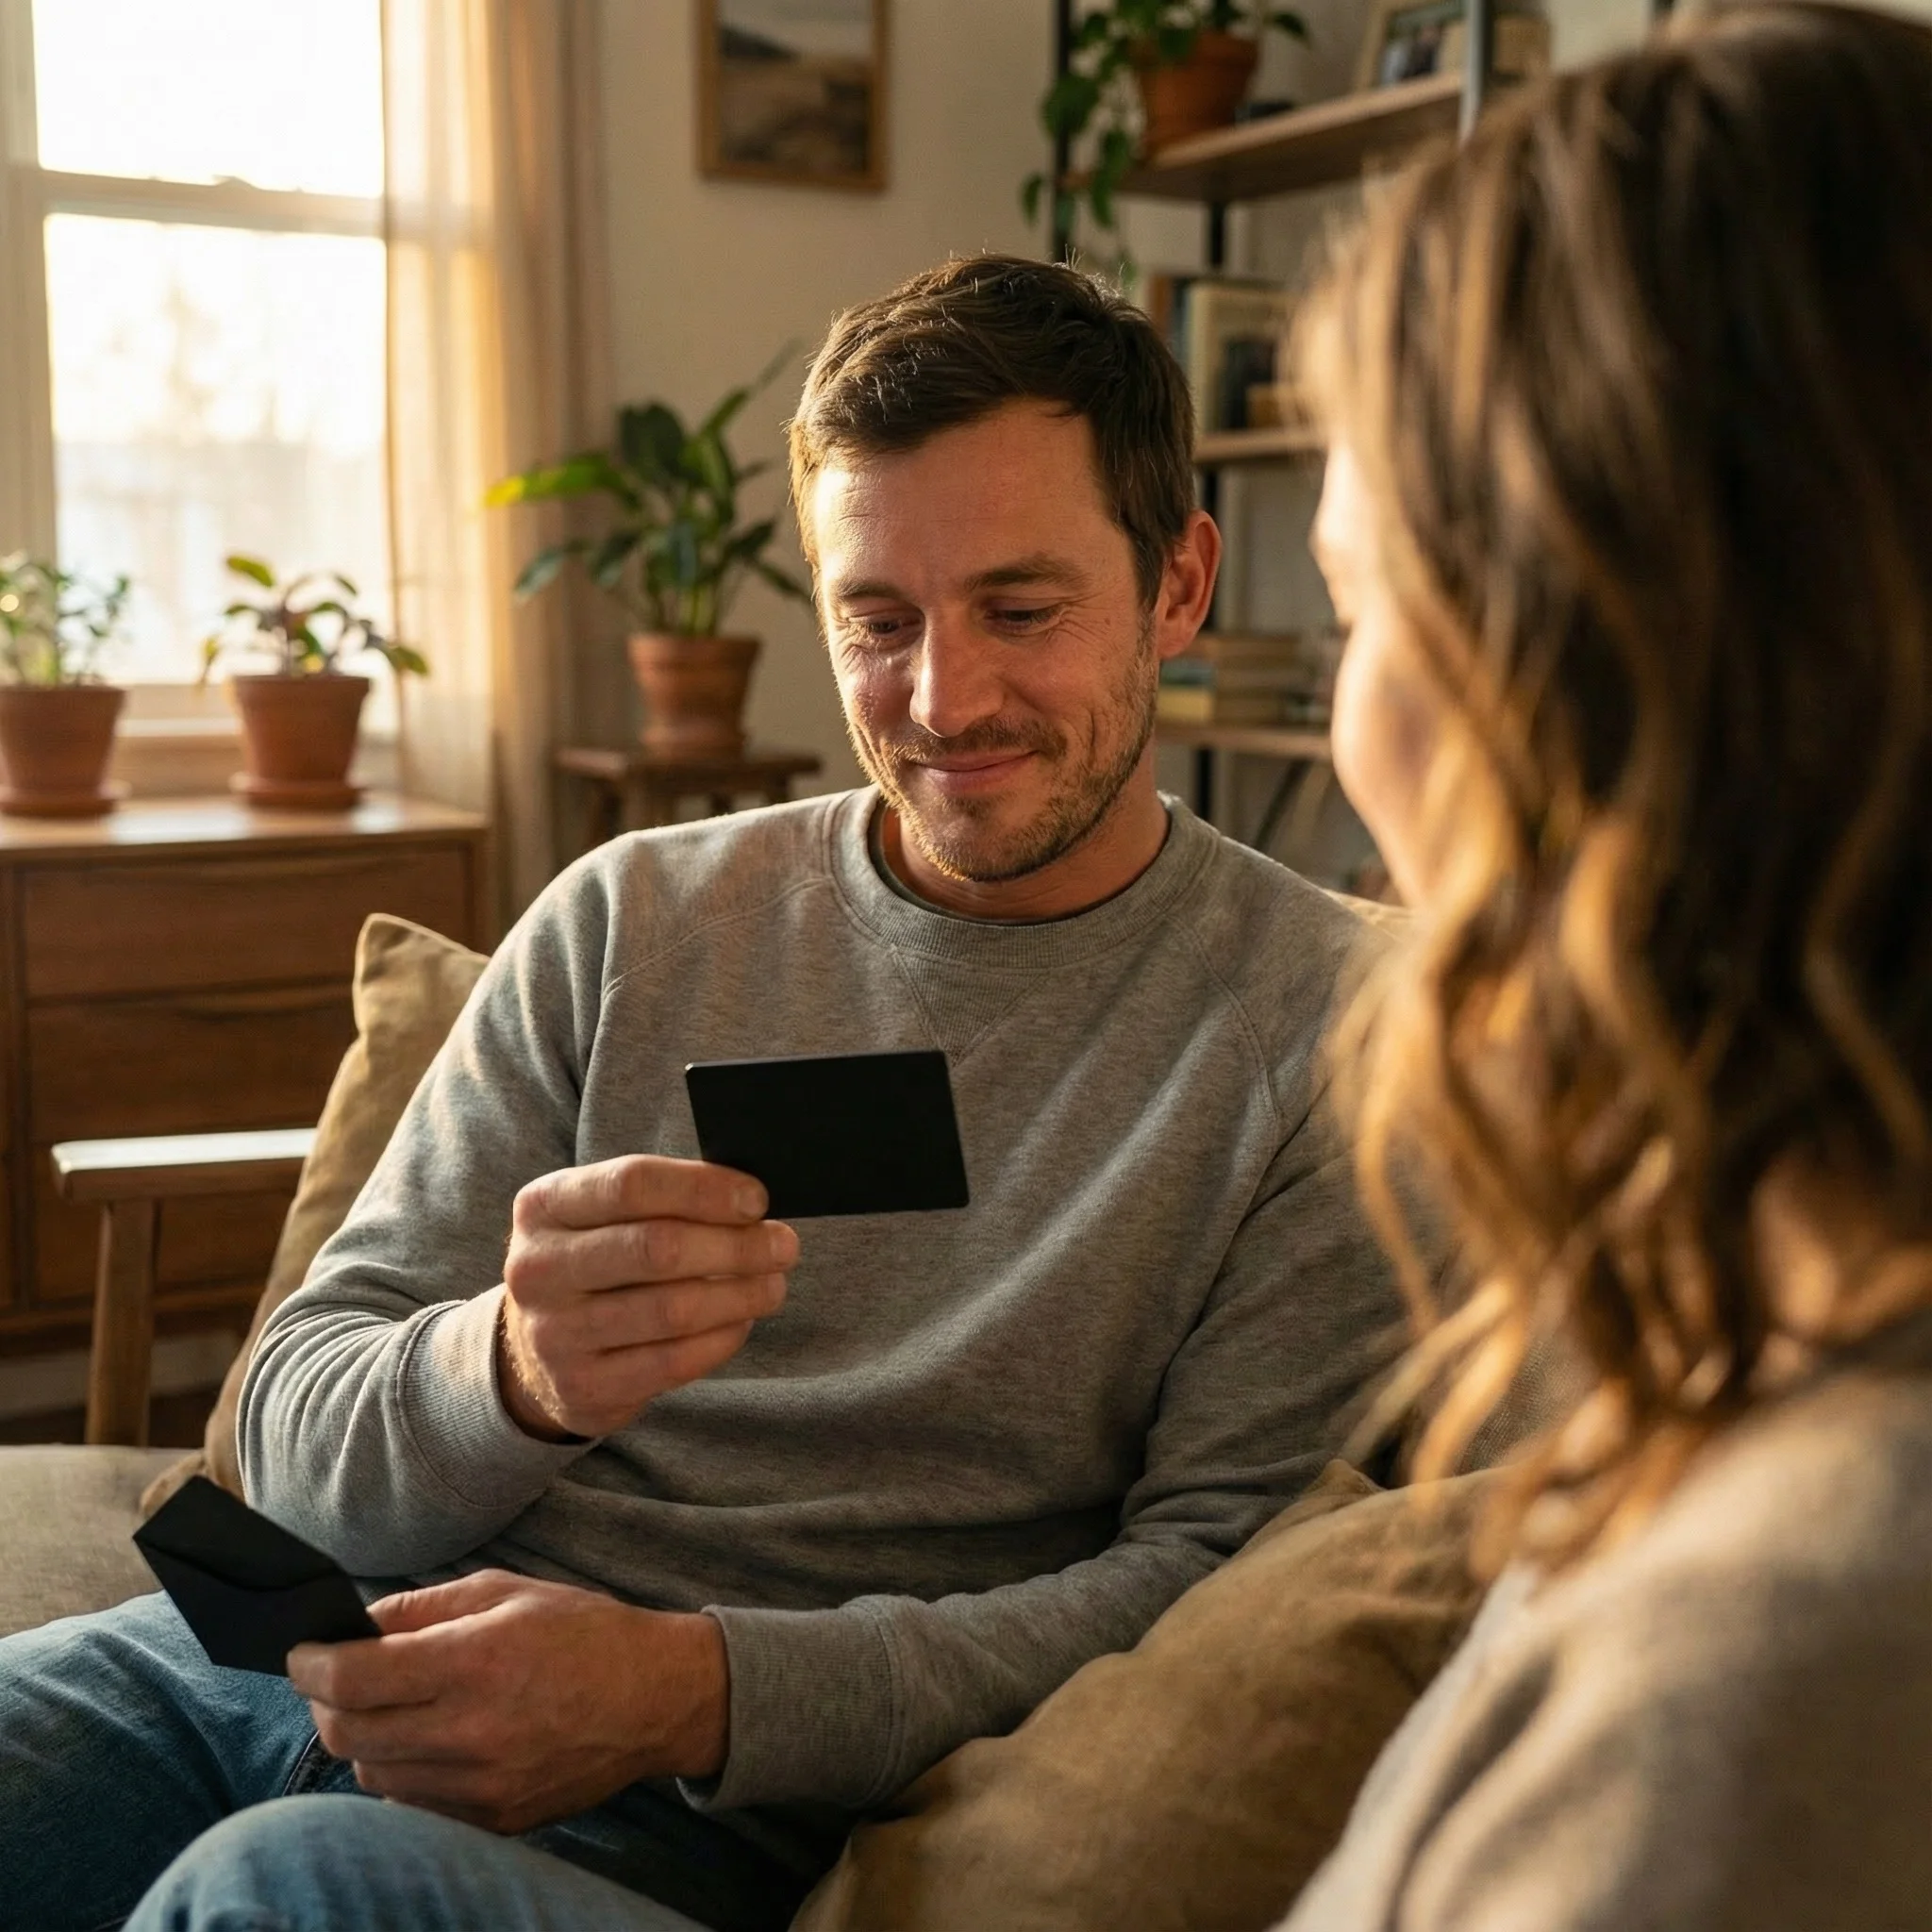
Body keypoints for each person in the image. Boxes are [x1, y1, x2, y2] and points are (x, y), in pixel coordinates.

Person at [0, 257, 1402, 1932]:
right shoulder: (629, 918)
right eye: (876, 624)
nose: (943, 701)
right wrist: (506, 1373)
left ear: (1179, 587)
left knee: (282, 1895)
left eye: (1022, 613)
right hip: (280, 1673)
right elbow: (286, 1435)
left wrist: (688, 1693)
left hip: (672, 1813)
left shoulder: (1327, 1025)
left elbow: (1206, 1604)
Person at [1281, 8, 1932, 1927]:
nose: (1340, 727)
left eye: (1351, 602)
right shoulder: (1767, 1401)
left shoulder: (1771, 1679)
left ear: (1583, 685)